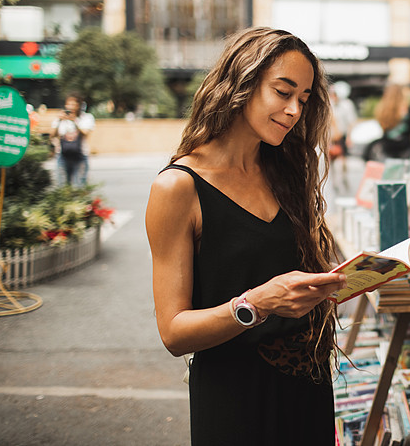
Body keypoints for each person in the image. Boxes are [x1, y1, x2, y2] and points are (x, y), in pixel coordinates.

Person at [145, 27, 347, 445]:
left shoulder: (287, 171)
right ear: (241, 84)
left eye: (304, 99)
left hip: (308, 386)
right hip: (236, 398)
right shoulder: (178, 188)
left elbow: (283, 273)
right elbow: (174, 333)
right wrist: (256, 303)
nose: (294, 110)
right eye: (283, 92)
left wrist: (333, 281)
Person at [51, 93, 95, 186]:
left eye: (73, 104)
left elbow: (85, 133)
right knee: (62, 186)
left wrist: (74, 121)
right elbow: (53, 135)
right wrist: (59, 120)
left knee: (78, 185)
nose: (70, 107)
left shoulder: (86, 118)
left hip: (80, 155)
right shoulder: (61, 119)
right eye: (68, 104)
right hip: (62, 155)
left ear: (79, 105)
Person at [366, 83, 410, 161]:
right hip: (404, 147)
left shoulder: (382, 109)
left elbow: (382, 126)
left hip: (387, 146)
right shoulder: (405, 109)